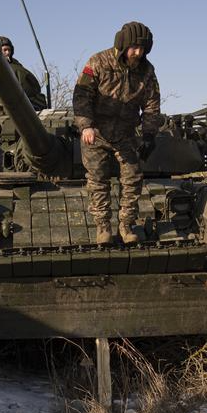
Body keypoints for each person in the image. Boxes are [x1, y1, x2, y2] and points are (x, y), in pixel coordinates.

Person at [72, 21, 162, 245]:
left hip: (126, 133)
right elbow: (82, 95)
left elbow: (151, 104)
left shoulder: (146, 71)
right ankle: (103, 226)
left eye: (142, 49)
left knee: (132, 179)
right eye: (134, 48)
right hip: (97, 132)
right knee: (97, 179)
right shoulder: (98, 62)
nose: (138, 53)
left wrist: (149, 134)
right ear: (122, 44)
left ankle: (126, 225)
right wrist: (86, 125)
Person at [0, 36, 48, 110]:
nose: (8, 53)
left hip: (22, 98)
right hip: (1, 100)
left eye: (9, 50)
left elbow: (28, 82)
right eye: (5, 50)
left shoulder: (16, 65)